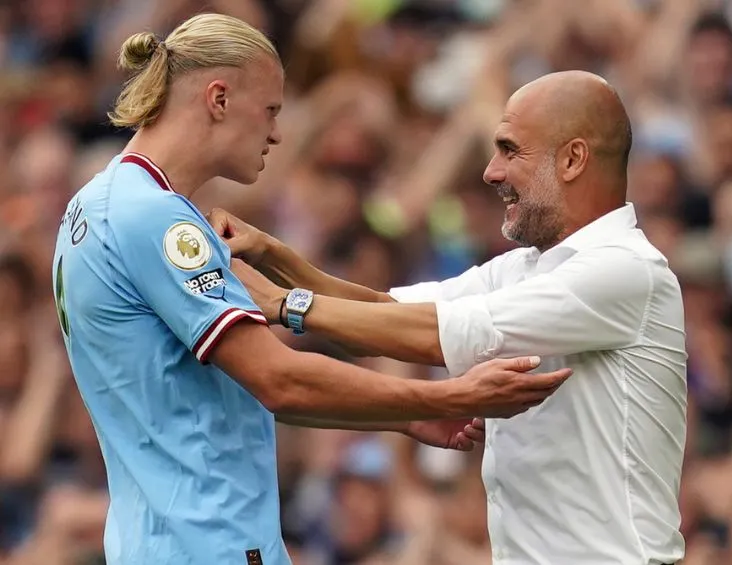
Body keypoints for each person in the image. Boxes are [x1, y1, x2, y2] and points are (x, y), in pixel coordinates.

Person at [50, 14, 572, 565]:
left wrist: (401, 416)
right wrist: (451, 395)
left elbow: (224, 395)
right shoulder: (156, 219)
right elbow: (279, 379)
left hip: (159, 540)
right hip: (207, 543)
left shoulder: (95, 203)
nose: (278, 132)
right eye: (271, 110)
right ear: (219, 98)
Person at [214, 70, 689, 564]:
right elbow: (386, 311)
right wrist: (272, 255)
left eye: (510, 150)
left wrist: (282, 306)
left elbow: (435, 336)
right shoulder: (526, 266)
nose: (491, 172)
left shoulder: (624, 268)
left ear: (572, 159)